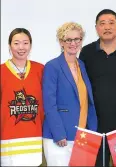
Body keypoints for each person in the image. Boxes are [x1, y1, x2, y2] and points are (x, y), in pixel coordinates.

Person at [79, 9, 116, 167]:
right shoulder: (86, 52)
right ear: (96, 28)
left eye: (111, 23)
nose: (107, 27)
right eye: (102, 24)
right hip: (93, 125)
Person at [42, 22, 97, 166]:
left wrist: (92, 130)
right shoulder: (52, 66)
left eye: (77, 39)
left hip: (82, 134)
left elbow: (86, 100)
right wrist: (59, 133)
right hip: (60, 136)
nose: (73, 43)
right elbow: (49, 104)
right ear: (61, 42)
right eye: (69, 40)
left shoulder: (82, 65)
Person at [0, 28, 44, 166]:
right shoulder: (1, 71)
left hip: (34, 139)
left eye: (25, 43)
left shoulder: (41, 70)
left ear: (30, 46)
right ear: (9, 45)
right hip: (8, 140)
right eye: (16, 43)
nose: (21, 47)